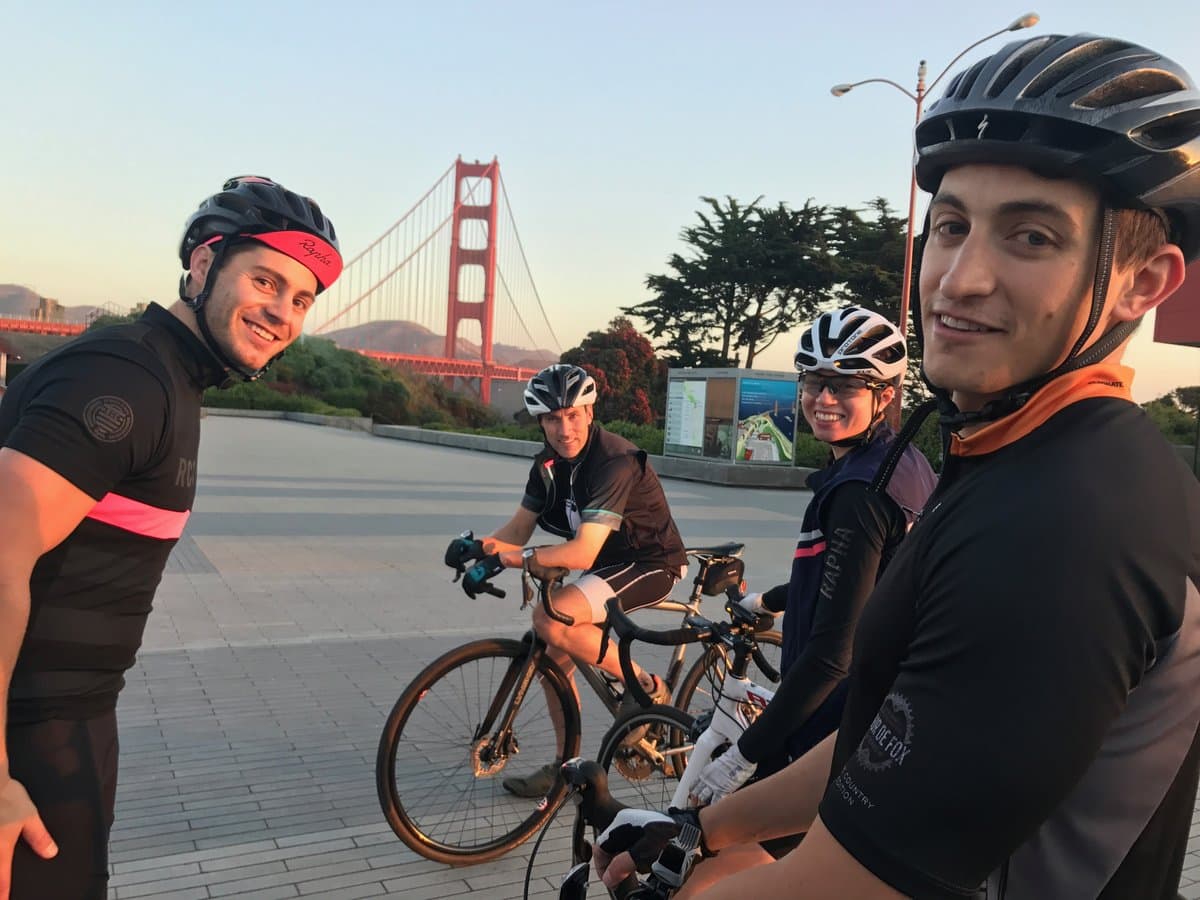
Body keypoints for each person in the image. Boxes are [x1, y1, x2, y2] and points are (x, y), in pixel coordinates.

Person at [594, 32, 1200, 900]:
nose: (960, 277)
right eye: (950, 227)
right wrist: (701, 827)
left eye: (1030, 236)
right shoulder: (1014, 457)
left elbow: (853, 883)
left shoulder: (1070, 523)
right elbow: (892, 737)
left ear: (1143, 282)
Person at [0, 175, 342, 899]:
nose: (282, 313)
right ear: (202, 264)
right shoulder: (128, 378)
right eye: (265, 280)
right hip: (26, 737)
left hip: (72, 725)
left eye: (302, 299)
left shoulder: (171, 378)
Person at [681, 307, 936, 879]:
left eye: (845, 385)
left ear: (887, 394)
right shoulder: (903, 465)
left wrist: (743, 759)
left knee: (703, 870)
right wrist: (768, 600)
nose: (824, 398)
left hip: (832, 722)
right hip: (875, 712)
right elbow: (854, 579)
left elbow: (832, 653)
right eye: (814, 382)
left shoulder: (858, 494)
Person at [450, 363, 688, 798]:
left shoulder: (614, 461)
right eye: (553, 419)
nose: (564, 428)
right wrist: (477, 547)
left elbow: (579, 553)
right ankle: (568, 769)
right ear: (540, 422)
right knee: (554, 657)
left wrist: (506, 560)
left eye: (573, 415)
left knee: (550, 618)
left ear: (590, 413)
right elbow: (518, 532)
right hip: (605, 567)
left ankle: (649, 688)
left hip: (651, 563)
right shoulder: (548, 466)